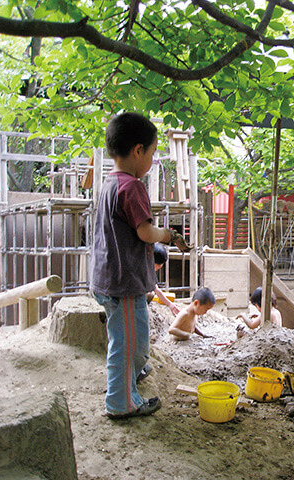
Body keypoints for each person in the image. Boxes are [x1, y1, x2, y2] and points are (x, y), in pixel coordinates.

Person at [90, 112, 191, 419]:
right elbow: (145, 232)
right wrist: (170, 235)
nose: (151, 159)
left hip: (109, 279)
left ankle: (134, 372)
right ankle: (121, 403)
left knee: (134, 334)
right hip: (124, 284)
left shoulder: (109, 183)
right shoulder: (132, 187)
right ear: (137, 150)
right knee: (126, 341)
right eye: (152, 152)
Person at [152, 243, 180, 316]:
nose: (159, 267)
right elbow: (156, 290)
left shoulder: (150, 271)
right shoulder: (145, 269)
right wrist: (169, 304)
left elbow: (156, 289)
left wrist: (170, 304)